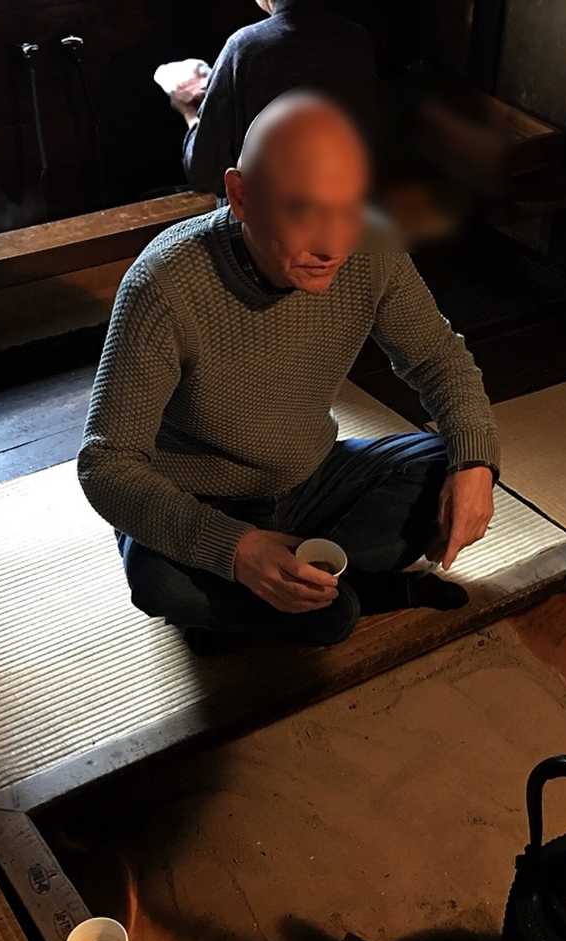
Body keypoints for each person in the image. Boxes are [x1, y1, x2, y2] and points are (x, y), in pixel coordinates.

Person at [79, 92, 498, 649]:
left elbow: (439, 359)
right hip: (198, 497)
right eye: (303, 211)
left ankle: (275, 604)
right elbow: (105, 465)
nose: (332, 244)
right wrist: (236, 549)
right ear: (241, 195)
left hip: (310, 479)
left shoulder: (370, 247)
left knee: (457, 464)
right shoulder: (163, 283)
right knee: (162, 584)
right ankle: (338, 595)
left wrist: (474, 464)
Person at [158, 0, 377, 196]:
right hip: (355, 200)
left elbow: (204, 173)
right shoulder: (355, 37)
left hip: (277, 218)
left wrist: (189, 112)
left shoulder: (245, 47)